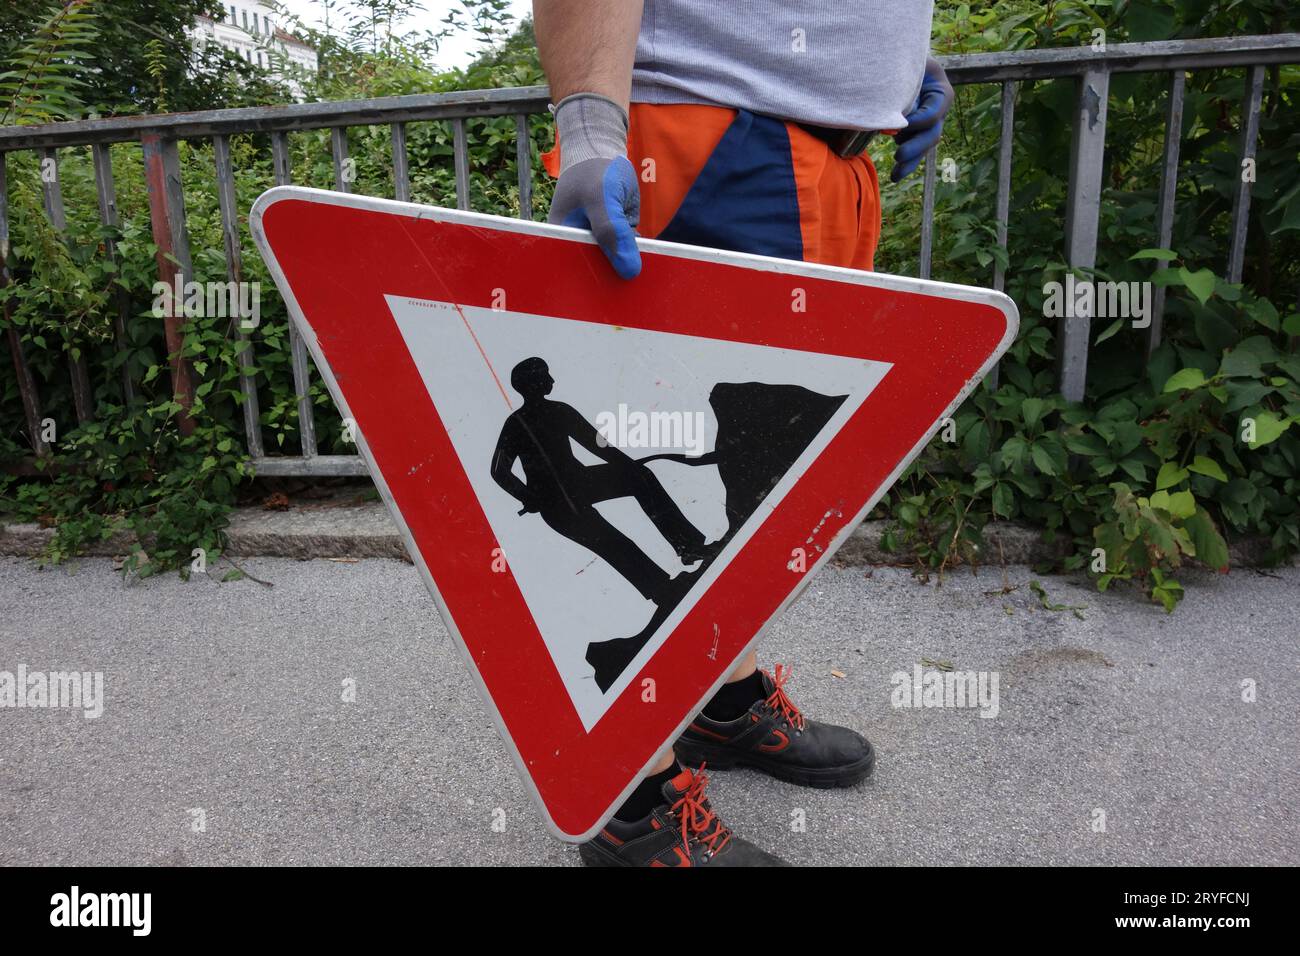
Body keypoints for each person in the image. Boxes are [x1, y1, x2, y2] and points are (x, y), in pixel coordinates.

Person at [533, 0, 953, 867]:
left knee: (762, 482)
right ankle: (631, 801)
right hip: (715, 146)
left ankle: (718, 699)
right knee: (709, 476)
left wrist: (902, 59)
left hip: (827, 163)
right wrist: (588, 126)